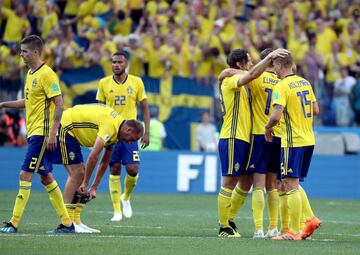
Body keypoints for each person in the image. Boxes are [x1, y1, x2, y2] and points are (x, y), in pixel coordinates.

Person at [0, 35, 74, 234]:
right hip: (35, 132)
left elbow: (59, 104)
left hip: (43, 133)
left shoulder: (47, 74)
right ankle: (67, 223)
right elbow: (28, 102)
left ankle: (13, 223)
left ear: (35, 52)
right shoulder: (30, 74)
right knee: (46, 177)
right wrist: (3, 104)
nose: (21, 55)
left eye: (24, 51)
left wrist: (52, 134)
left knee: (25, 174)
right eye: (20, 51)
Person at [216, 48, 288, 237]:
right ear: (239, 64)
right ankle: (223, 226)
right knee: (229, 181)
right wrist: (270, 59)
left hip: (247, 137)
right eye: (248, 61)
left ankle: (230, 219)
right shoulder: (231, 80)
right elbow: (251, 73)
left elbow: (253, 73)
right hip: (233, 135)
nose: (251, 64)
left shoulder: (247, 81)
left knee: (246, 182)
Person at [53, 103, 144, 233]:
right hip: (65, 126)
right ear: (128, 130)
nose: (129, 143)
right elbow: (93, 157)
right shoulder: (111, 126)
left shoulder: (116, 132)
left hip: (73, 132)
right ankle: (66, 223)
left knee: (80, 173)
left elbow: (104, 161)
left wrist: (94, 187)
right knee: (77, 173)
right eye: (132, 139)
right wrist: (85, 184)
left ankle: (75, 221)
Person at [265, 51, 321, 240]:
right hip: (308, 139)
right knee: (293, 183)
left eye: (274, 66)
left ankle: (295, 231)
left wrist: (267, 128)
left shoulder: (282, 86)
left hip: (292, 141)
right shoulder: (305, 82)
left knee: (289, 184)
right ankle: (309, 220)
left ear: (279, 66)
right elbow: (316, 110)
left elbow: (276, 115)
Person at [96, 51, 150, 221]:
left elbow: (145, 108)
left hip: (129, 133)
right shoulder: (104, 83)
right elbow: (99, 110)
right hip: (111, 132)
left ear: (126, 64)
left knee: (132, 169)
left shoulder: (136, 82)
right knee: (114, 169)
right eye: (113, 62)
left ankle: (125, 197)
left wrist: (146, 131)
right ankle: (116, 211)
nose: (116, 65)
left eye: (119, 62)